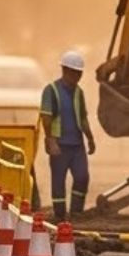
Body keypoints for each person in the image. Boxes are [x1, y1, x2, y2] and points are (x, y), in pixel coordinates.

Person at [40, 50, 96, 220]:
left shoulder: (79, 92)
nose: (77, 76)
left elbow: (83, 117)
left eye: (79, 73)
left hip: (77, 145)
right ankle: (59, 216)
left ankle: (76, 213)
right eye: (74, 72)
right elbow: (46, 117)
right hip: (59, 144)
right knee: (58, 180)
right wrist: (50, 140)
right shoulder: (51, 90)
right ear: (65, 70)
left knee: (82, 177)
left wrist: (90, 138)